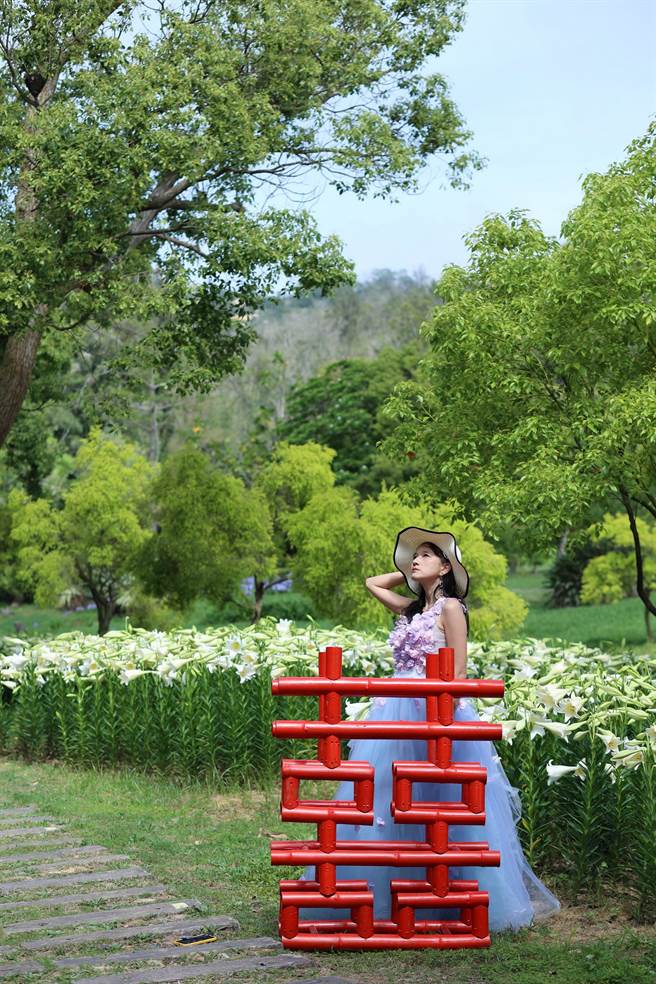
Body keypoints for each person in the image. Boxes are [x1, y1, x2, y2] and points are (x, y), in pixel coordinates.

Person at [300, 526, 560, 932]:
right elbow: (372, 583)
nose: (415, 560)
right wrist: (408, 572)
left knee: (441, 801)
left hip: (434, 707)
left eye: (425, 555)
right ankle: (384, 893)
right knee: (386, 797)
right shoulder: (410, 610)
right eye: (413, 556)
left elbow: (458, 670)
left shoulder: (451, 609)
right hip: (394, 710)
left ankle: (451, 896)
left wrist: (442, 717)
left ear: (444, 568)